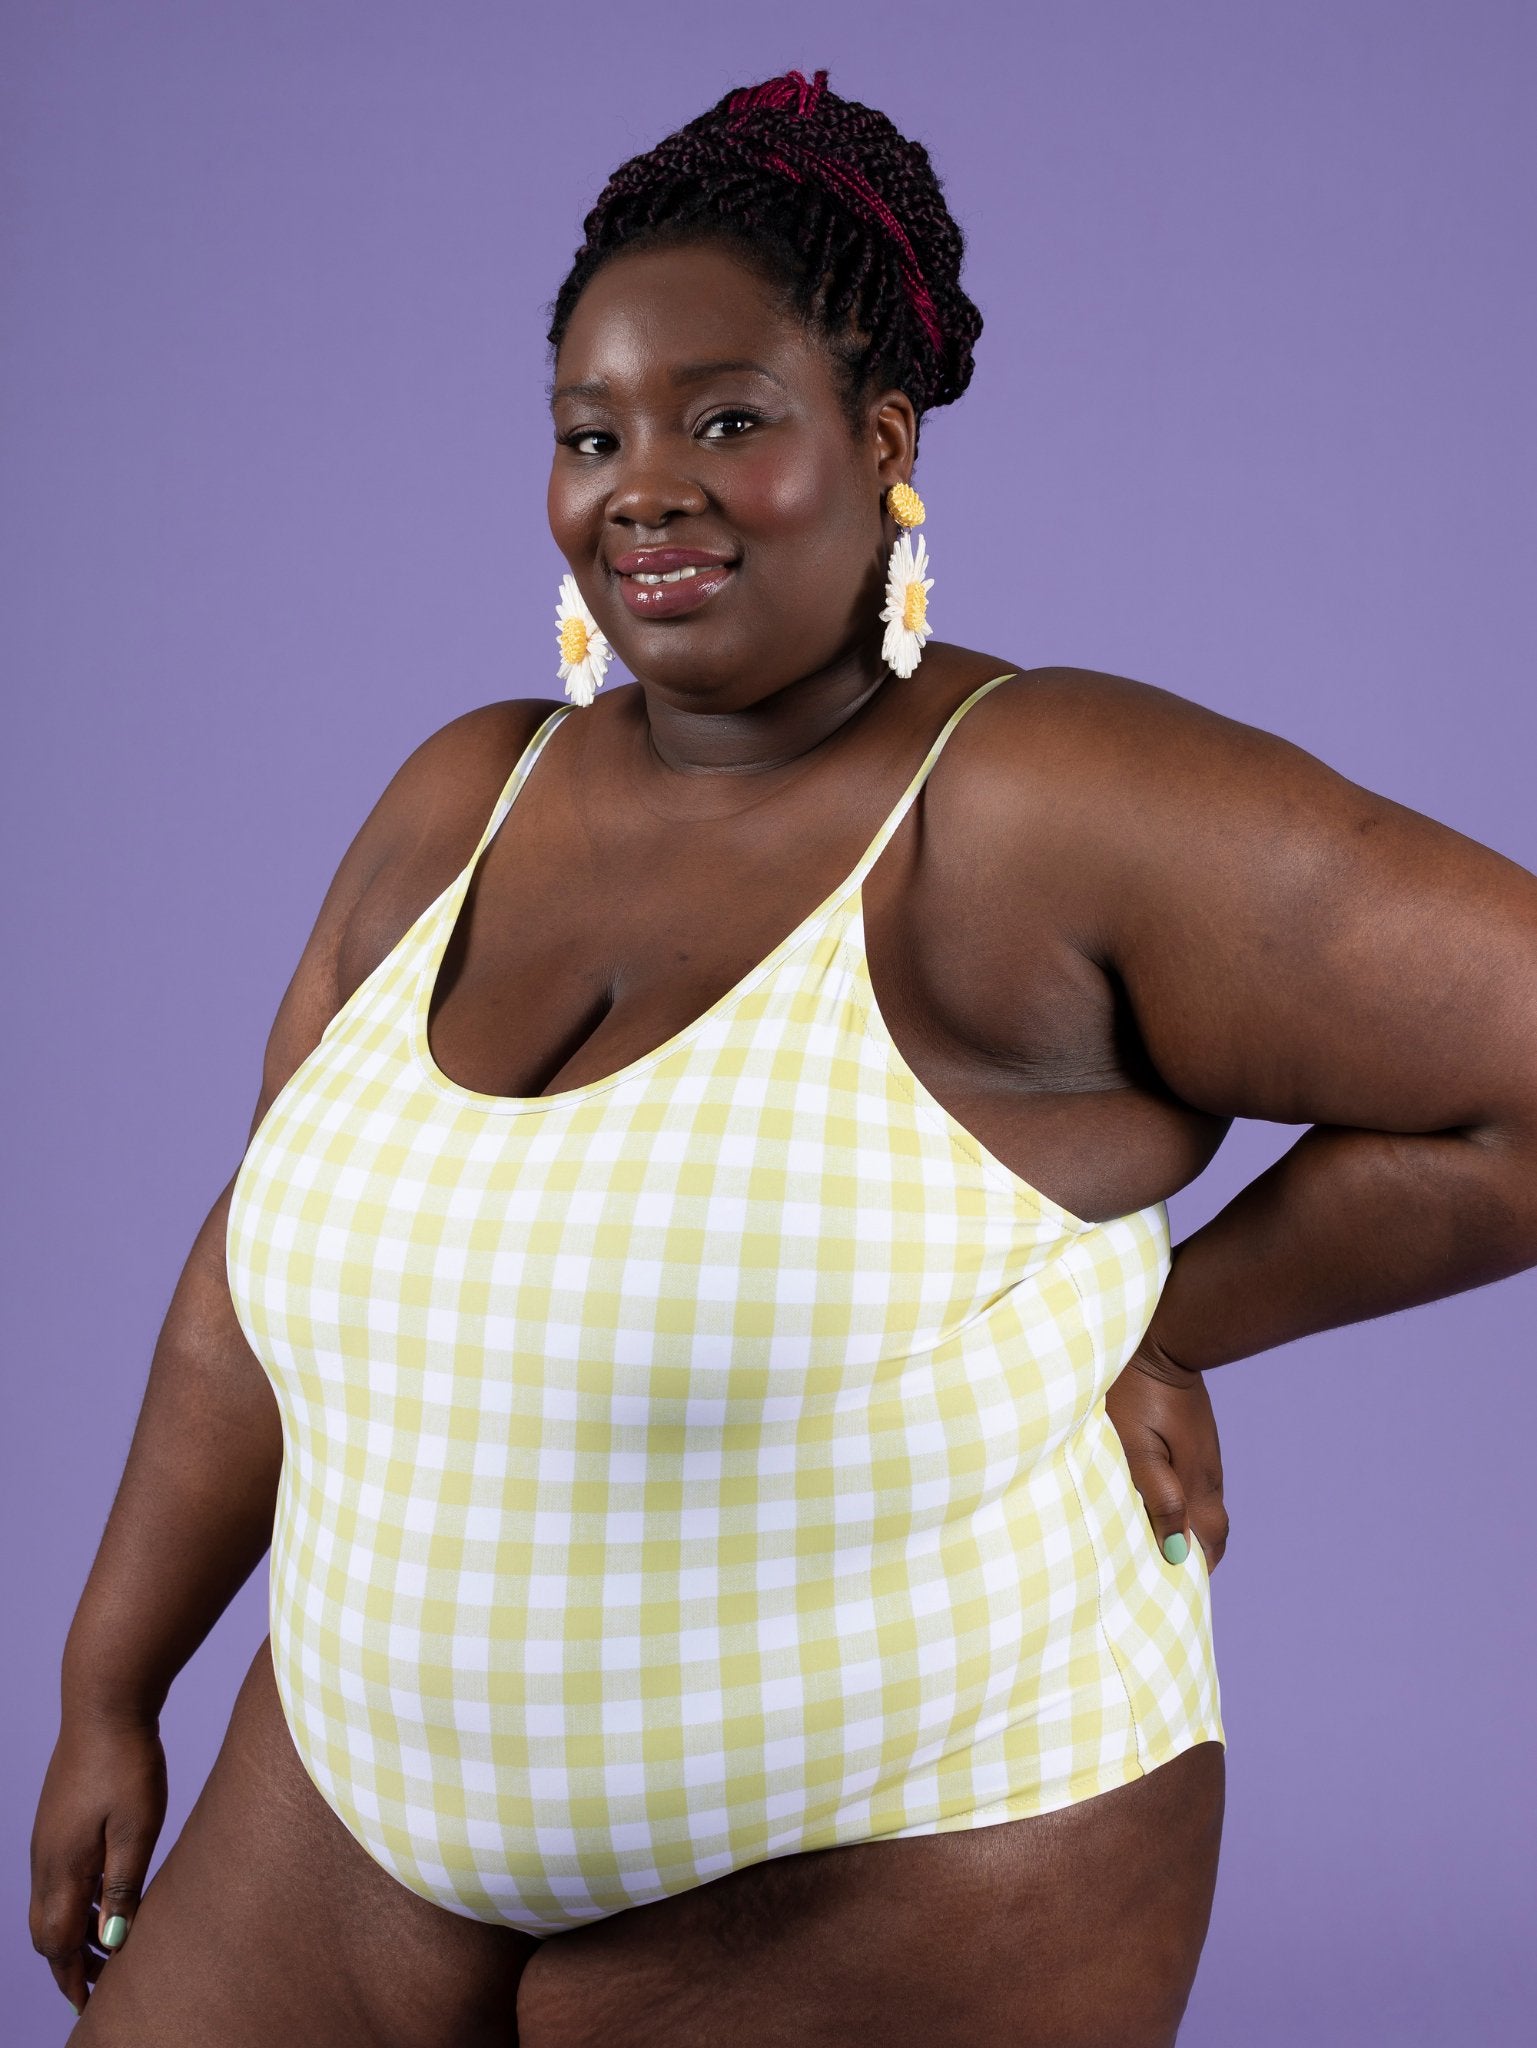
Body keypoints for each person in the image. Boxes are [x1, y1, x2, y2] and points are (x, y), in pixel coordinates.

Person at [28, 66, 1537, 2048]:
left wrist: (1162, 1319)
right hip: (349, 1821)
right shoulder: (461, 797)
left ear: (881, 442)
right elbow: (255, 1278)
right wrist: (110, 1684)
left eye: (725, 420)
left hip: (915, 1842)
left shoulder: (1031, 803)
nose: (642, 485)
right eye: (593, 434)